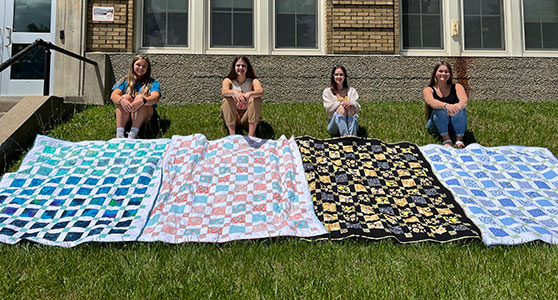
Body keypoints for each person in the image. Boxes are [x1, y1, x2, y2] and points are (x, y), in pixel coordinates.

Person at [110, 54, 161, 139]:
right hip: (128, 114)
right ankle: (119, 134)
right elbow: (113, 95)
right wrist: (121, 100)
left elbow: (156, 97)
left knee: (140, 98)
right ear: (133, 65)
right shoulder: (124, 81)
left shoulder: (152, 82)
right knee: (125, 97)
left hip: (146, 115)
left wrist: (143, 101)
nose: (141, 68)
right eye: (138, 65)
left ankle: (133, 134)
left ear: (147, 69)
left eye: (144, 66)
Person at [423, 61, 468, 148]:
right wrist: (446, 106)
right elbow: (431, 102)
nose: (443, 73)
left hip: (453, 124)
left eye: (446, 72)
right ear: (435, 73)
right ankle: (446, 140)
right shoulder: (428, 89)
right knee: (440, 109)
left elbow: (464, 100)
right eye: (440, 71)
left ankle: (459, 140)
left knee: (461, 110)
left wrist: (456, 108)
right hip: (435, 125)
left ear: (450, 74)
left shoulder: (457, 87)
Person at [220, 56, 263, 137]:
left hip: (246, 118)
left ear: (247, 68)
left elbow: (260, 91)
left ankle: (251, 135)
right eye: (238, 65)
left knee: (256, 99)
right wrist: (234, 93)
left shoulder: (253, 81)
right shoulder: (228, 80)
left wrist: (250, 93)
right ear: (234, 67)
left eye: (243, 66)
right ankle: (232, 135)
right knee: (226, 99)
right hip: (233, 117)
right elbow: (224, 92)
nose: (240, 68)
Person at [322, 65, 361, 137]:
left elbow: (358, 108)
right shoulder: (327, 91)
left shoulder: (352, 91)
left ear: (345, 76)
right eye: (336, 74)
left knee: (351, 107)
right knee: (341, 108)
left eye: (341, 75)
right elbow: (328, 107)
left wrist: (351, 103)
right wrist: (341, 103)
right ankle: (345, 139)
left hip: (351, 124)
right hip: (334, 126)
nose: (339, 77)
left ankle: (352, 137)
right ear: (333, 76)